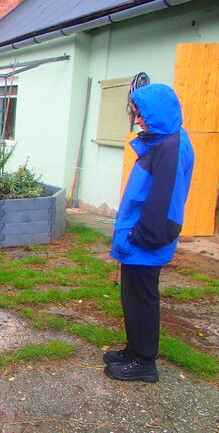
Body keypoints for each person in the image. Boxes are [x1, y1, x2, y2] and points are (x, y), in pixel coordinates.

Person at [105, 83, 194, 383]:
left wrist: (138, 237)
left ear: (156, 112)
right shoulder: (164, 141)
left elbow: (165, 204)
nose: (139, 120)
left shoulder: (171, 147)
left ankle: (144, 362)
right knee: (132, 298)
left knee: (142, 299)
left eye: (142, 114)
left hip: (145, 243)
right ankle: (134, 350)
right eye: (137, 114)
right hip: (138, 242)